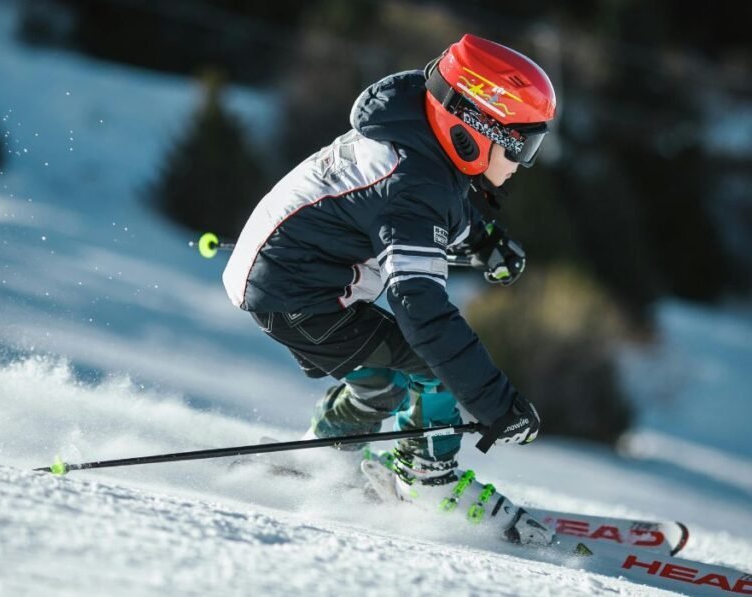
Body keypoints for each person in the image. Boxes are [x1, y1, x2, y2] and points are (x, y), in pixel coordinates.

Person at [223, 34, 556, 542]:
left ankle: (323, 456)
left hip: (289, 282)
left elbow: (437, 209)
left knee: (386, 380)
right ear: (476, 128)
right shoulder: (410, 185)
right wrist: (496, 404)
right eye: (521, 144)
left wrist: (484, 241)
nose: (522, 163)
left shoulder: (415, 141)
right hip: (299, 297)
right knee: (435, 369)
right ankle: (428, 480)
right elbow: (420, 310)